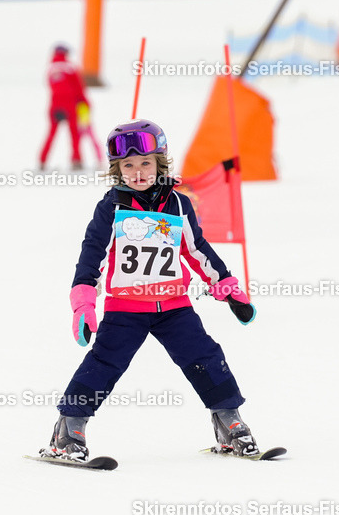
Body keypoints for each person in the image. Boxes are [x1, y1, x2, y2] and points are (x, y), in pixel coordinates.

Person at [38, 119, 259, 461]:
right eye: (128, 165)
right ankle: (70, 427)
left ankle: (229, 420)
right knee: (104, 364)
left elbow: (197, 249)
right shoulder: (111, 208)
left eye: (146, 163)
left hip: (174, 306)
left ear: (161, 163)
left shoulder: (179, 205)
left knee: (205, 357)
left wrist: (227, 286)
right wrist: (84, 303)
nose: (138, 172)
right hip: (125, 308)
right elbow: (92, 254)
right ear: (117, 169)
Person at [38, 44, 88, 171]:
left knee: (51, 133)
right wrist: (85, 102)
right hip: (70, 105)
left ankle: (42, 160)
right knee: (74, 134)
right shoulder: (71, 67)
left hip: (54, 105)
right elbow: (79, 88)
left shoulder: (50, 68)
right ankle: (76, 160)